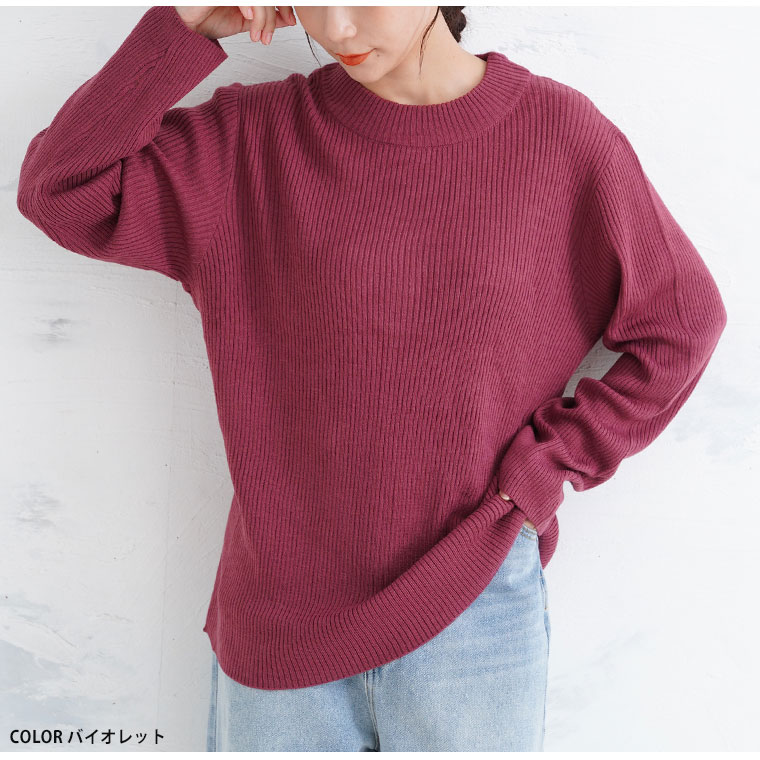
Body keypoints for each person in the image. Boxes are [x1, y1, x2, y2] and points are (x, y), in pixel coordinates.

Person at [16, 5, 727, 752]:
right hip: (282, 621)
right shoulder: (248, 143)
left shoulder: (560, 137)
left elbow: (681, 322)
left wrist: (546, 470)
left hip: (475, 601)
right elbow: (61, 191)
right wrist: (187, 23)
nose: (338, 30)